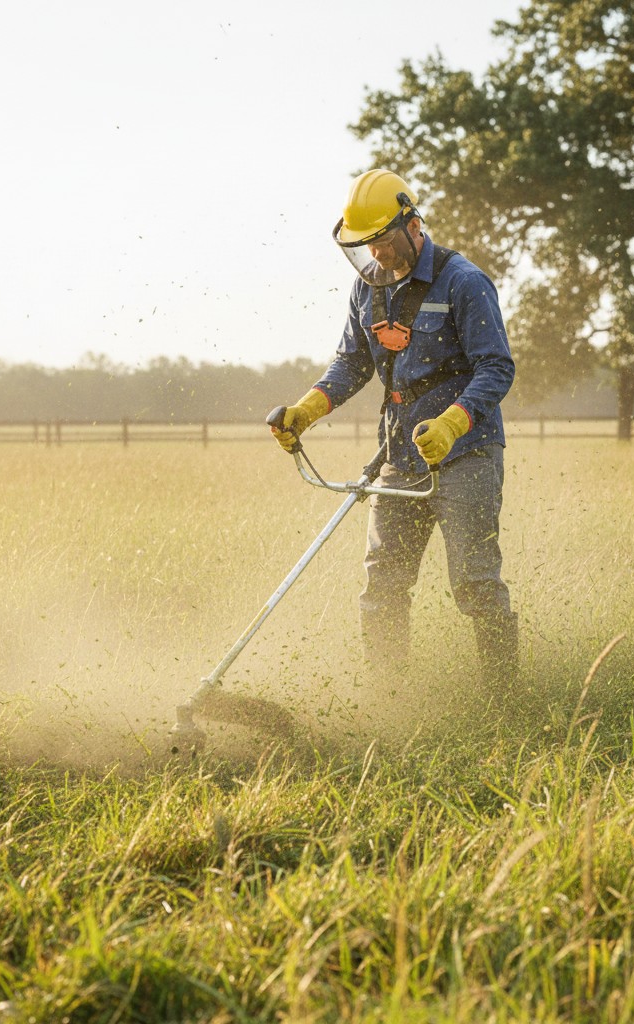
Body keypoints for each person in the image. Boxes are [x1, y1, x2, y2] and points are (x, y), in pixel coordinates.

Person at [270, 168, 517, 682]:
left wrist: (452, 424)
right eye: (367, 246)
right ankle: (389, 694)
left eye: (383, 242)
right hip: (399, 458)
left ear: (412, 224)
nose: (377, 255)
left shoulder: (464, 282)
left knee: (474, 583)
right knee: (382, 585)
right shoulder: (368, 292)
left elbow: (497, 367)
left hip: (467, 453)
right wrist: (305, 411)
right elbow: (352, 364)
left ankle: (505, 695)